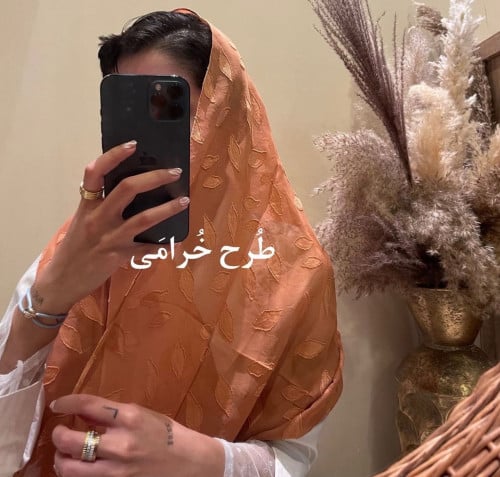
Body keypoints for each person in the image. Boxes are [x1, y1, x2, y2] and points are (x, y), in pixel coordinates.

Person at [0, 9, 343, 477]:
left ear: (229, 116)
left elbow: (292, 456)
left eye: (168, 109)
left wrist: (200, 458)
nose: (147, 141)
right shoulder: (85, 244)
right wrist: (46, 302)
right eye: (130, 114)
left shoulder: (295, 275)